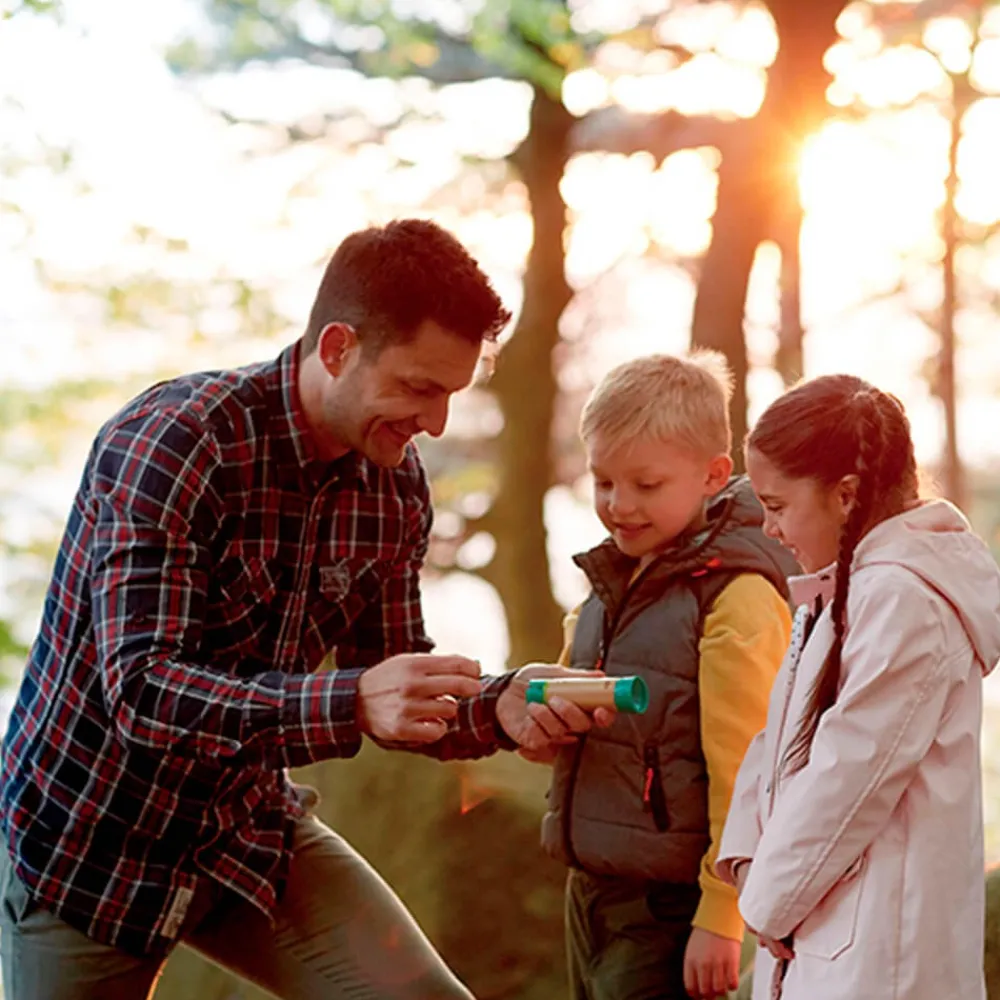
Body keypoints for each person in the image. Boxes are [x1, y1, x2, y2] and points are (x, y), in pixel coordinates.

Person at [0, 218, 607, 1000]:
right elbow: (143, 693)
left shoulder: (394, 487)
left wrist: (503, 707)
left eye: (452, 394)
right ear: (337, 348)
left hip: (244, 835)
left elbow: (393, 681)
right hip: (89, 848)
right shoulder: (176, 443)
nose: (436, 422)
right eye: (420, 387)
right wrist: (352, 700)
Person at [717, 374, 1000, 1000]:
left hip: (878, 954)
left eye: (778, 505)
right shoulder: (845, 586)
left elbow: (850, 776)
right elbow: (780, 737)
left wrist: (766, 902)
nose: (768, 527)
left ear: (845, 495)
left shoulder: (903, 600)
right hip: (822, 929)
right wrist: (745, 859)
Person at [528, 352, 795, 1000]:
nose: (619, 506)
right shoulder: (613, 580)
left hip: (672, 909)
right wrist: (544, 730)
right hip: (591, 889)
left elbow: (749, 774)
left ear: (713, 475)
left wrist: (721, 916)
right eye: (603, 482)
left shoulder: (734, 598)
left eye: (645, 485)